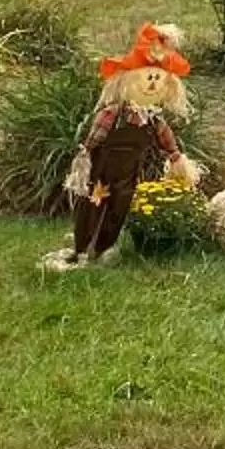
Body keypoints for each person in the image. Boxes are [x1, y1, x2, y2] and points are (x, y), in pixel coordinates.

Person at [53, 21, 199, 268]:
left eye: (158, 79)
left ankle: (104, 247)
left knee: (119, 209)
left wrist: (176, 157)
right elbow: (95, 137)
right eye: (147, 77)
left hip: (129, 173)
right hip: (102, 170)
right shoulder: (113, 114)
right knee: (93, 205)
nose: (152, 83)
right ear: (126, 81)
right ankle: (81, 246)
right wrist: (85, 156)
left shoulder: (153, 118)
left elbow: (167, 141)